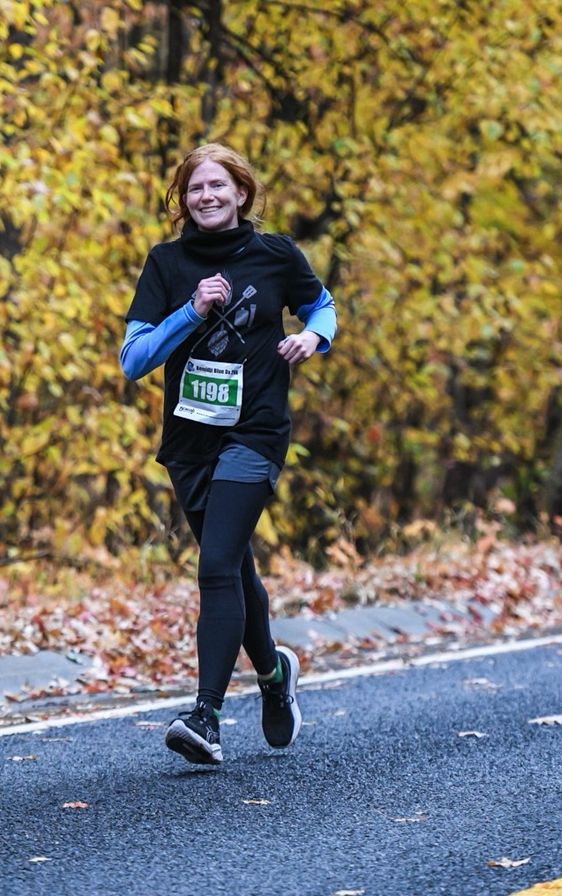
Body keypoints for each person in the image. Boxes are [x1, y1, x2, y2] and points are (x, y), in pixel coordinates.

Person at [120, 143, 336, 765]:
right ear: (183, 200)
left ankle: (206, 717)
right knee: (235, 567)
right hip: (190, 442)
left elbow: (322, 305)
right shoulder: (166, 264)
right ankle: (274, 676)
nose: (205, 197)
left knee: (215, 565)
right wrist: (190, 311)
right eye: (194, 189)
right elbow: (134, 361)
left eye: (217, 185)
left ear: (242, 192)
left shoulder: (275, 254)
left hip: (256, 431)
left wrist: (314, 337)